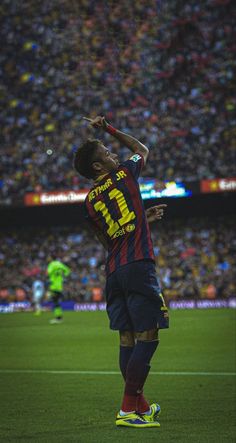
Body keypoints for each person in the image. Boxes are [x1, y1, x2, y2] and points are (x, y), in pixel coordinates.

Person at [74, 116, 169, 428]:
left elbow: (109, 240)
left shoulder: (89, 202)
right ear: (99, 167)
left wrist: (142, 220)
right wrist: (109, 129)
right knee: (149, 333)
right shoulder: (126, 174)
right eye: (107, 153)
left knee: (127, 337)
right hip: (139, 265)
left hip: (114, 270)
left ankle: (140, 405)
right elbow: (142, 149)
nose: (114, 155)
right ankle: (127, 409)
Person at [47, 259, 71, 324]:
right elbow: (68, 271)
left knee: (55, 302)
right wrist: (63, 276)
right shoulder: (60, 264)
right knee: (56, 301)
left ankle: (58, 318)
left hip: (54, 287)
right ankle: (59, 317)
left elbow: (48, 273)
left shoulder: (51, 265)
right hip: (60, 286)